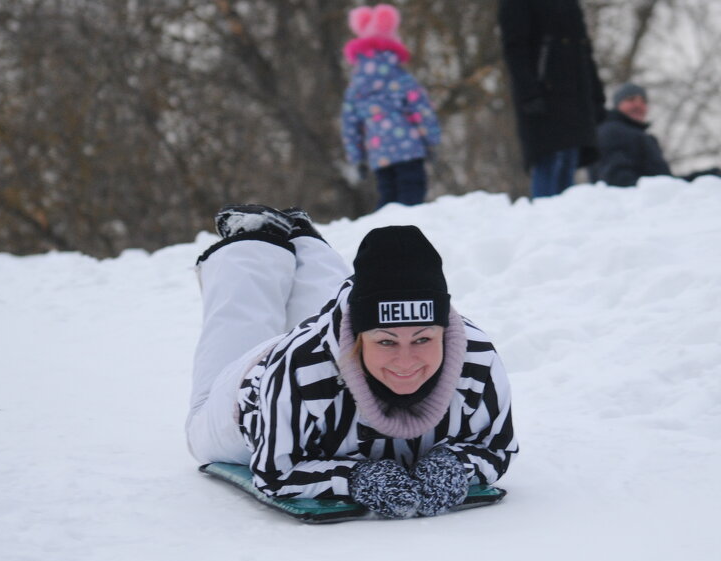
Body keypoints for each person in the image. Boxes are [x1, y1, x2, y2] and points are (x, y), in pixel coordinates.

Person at [186, 204, 517, 519]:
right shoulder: (300, 370)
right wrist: (355, 477)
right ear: (357, 338)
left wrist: (458, 467)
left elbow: (496, 447)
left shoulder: (477, 360)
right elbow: (276, 473)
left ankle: (304, 240)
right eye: (386, 341)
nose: (406, 361)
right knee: (241, 323)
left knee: (360, 306)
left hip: (335, 357)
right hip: (255, 390)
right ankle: (251, 245)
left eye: (423, 339)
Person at [498, 0, 606, 199]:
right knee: (550, 160)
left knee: (568, 159)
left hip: (575, 96)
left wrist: (597, 97)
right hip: (544, 96)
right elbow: (514, 48)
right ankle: (546, 222)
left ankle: (562, 221)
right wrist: (529, 93)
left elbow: (584, 51)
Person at [341, 4, 442, 209]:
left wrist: (357, 157)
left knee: (388, 194)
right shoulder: (401, 77)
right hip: (409, 148)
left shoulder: (356, 86)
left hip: (379, 152)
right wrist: (431, 139)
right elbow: (420, 109)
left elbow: (350, 124)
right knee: (412, 191)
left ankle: (386, 231)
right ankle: (412, 229)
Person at [590, 83, 721, 187]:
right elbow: (618, 181)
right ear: (617, 105)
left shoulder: (637, 135)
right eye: (631, 99)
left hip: (654, 199)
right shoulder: (612, 132)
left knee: (713, 178)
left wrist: (699, 178)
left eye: (643, 101)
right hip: (638, 207)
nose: (638, 105)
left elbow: (662, 179)